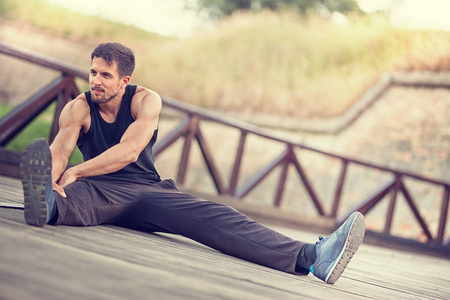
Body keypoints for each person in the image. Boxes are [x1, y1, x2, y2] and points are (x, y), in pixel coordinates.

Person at [19, 42, 365, 285]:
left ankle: (312, 257)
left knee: (220, 217)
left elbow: (129, 151)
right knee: (69, 196)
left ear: (124, 80)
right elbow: (60, 149)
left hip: (148, 192)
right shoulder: (78, 107)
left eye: (105, 75)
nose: (95, 80)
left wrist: (77, 170)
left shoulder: (144, 101)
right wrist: (51, 177)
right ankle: (45, 203)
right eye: (93, 72)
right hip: (101, 190)